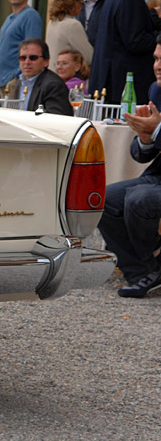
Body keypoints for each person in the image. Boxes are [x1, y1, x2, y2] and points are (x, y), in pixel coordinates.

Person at [98, 92, 161, 297]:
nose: (158, 66)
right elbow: (141, 154)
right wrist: (145, 139)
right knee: (103, 200)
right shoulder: (157, 91)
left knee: (140, 199)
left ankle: (154, 267)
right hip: (157, 177)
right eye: (155, 59)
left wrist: (157, 131)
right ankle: (141, 272)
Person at [88, 0, 161, 104]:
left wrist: (154, 18)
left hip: (111, 80)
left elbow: (129, 27)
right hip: (122, 85)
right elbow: (135, 41)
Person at [0, 0, 43, 91]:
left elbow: (32, 50)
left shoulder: (31, 16)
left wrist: (16, 76)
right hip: (1, 79)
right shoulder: (9, 17)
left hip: (15, 81)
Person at [15, 38, 71, 115]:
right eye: (23, 58)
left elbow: (56, 119)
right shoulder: (20, 81)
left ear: (46, 62)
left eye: (33, 57)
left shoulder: (54, 85)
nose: (27, 62)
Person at [45, 0, 93, 66]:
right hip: (67, 75)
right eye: (80, 2)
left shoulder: (52, 22)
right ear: (72, 3)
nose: (82, 6)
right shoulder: (72, 25)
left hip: (52, 73)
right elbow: (89, 57)